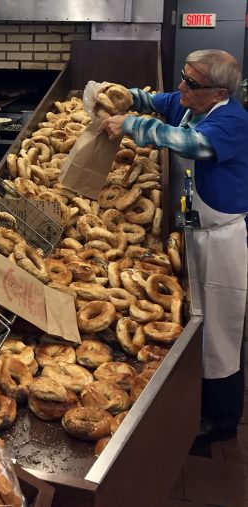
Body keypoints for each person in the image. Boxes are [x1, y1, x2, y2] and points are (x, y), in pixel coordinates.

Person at [98, 49, 248, 442]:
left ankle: (221, 419)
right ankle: (196, 403)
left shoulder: (231, 120)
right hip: (194, 230)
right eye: (183, 75)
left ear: (218, 93)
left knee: (220, 329)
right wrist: (120, 95)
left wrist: (132, 124)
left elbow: (192, 144)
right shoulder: (192, 104)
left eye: (191, 82)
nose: (182, 85)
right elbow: (158, 100)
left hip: (221, 239)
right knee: (199, 322)